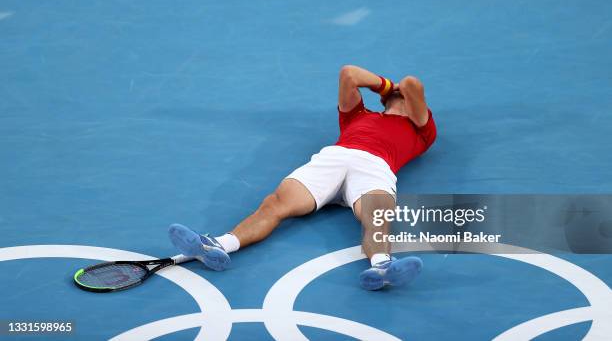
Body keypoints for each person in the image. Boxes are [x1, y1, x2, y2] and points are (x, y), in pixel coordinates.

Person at [168, 65, 437, 290]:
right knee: (275, 204)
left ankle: (382, 268)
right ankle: (216, 247)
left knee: (377, 217)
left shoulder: (422, 130)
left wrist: (396, 89)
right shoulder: (358, 116)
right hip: (333, 159)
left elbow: (412, 84)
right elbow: (349, 74)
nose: (402, 89)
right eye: (396, 91)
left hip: (375, 168)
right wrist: (389, 87)